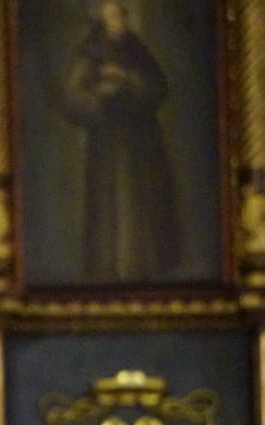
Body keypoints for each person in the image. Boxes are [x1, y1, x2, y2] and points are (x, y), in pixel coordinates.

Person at [57, 0, 181, 284]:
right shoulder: (90, 50)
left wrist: (129, 80)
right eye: (113, 15)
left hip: (142, 141)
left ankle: (145, 269)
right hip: (107, 144)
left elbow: (159, 88)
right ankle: (109, 270)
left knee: (143, 204)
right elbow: (71, 99)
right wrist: (102, 93)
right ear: (102, 18)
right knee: (110, 207)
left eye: (122, 15)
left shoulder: (136, 48)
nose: (119, 20)